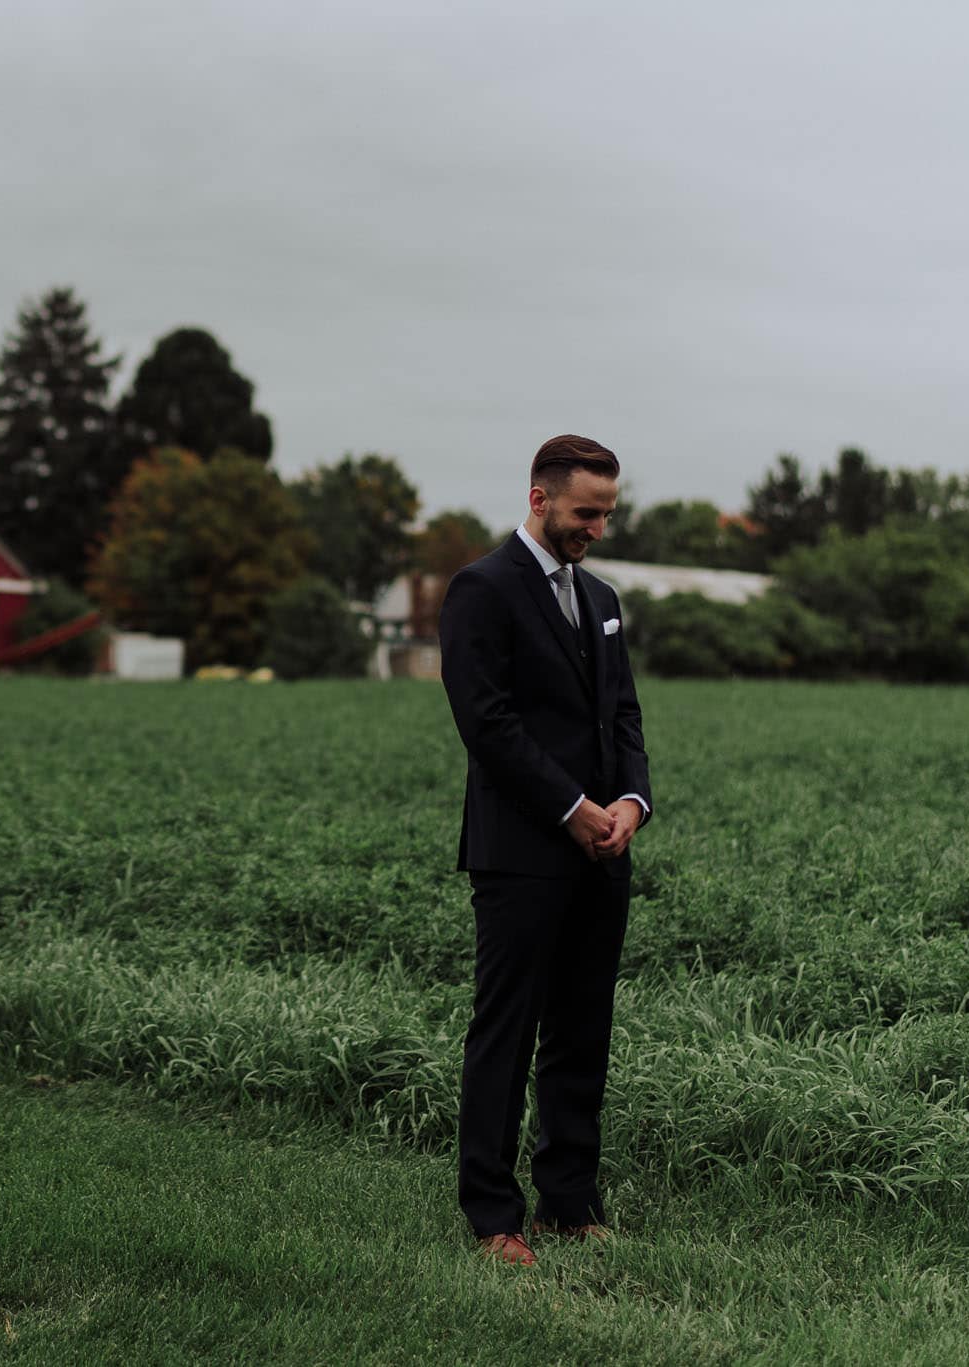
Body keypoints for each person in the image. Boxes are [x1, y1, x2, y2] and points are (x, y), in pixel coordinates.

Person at [436, 435, 654, 1266]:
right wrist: (572, 810)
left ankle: (570, 1200)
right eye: (584, 512)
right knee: (506, 1030)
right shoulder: (480, 590)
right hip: (522, 850)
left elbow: (622, 713)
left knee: (581, 1029)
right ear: (538, 498)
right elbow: (486, 723)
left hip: (605, 851)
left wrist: (630, 803)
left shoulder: (600, 595)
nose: (597, 527)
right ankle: (494, 1214)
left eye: (606, 512)